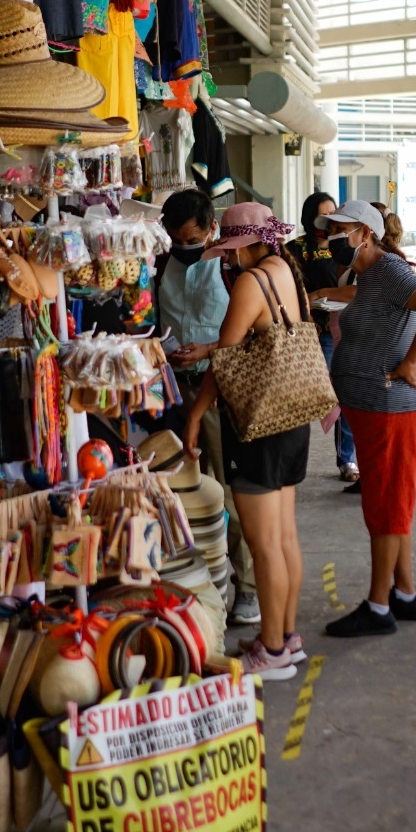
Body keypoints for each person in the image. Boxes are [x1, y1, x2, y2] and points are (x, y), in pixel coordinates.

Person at [185, 203, 311, 680]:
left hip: (259, 425)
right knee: (284, 538)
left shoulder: (249, 282)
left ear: (246, 245)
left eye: (231, 251)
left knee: (263, 547)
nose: (227, 260)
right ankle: (284, 637)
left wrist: (196, 415)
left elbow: (226, 357)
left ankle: (273, 650)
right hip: (291, 418)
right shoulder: (285, 271)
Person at [320, 201, 416, 638]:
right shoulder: (367, 276)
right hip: (374, 410)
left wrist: (413, 360)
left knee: (385, 511)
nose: (332, 237)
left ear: (365, 233)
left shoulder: (391, 270)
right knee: (393, 506)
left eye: (340, 229)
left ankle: (378, 606)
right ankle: (405, 594)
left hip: (393, 410)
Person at [158, 188, 259, 626]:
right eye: (177, 239)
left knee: (231, 495)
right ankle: (199, 588)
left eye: (192, 237)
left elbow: (257, 332)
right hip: (172, 394)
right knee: (182, 496)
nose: (185, 247)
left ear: (211, 229)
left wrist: (207, 351)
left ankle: (249, 588)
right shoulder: (159, 266)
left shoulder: (232, 268)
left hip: (221, 392)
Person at [288, 192, 359, 482]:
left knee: (343, 392)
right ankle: (292, 459)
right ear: (310, 218)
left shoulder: (344, 248)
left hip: (341, 327)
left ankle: (347, 459)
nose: (329, 221)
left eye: (334, 214)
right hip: (309, 329)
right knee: (305, 394)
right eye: (323, 215)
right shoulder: (295, 249)